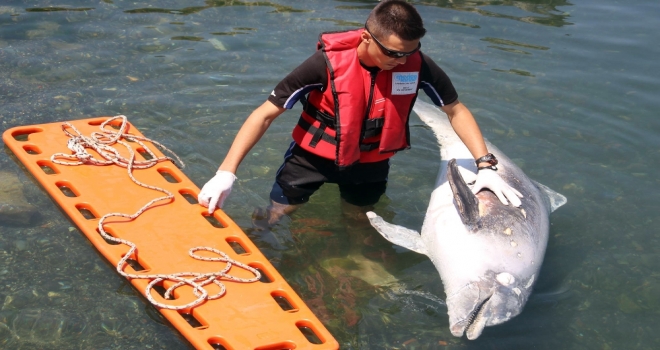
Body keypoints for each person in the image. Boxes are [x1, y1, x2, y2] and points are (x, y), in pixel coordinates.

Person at [198, 0, 522, 224]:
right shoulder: (324, 65)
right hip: (311, 159)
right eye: (393, 52)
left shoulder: (416, 63)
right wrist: (226, 172)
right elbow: (265, 114)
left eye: (410, 51)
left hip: (371, 162)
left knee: (361, 221)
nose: (401, 59)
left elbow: (455, 110)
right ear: (367, 37)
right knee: (277, 213)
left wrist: (485, 164)